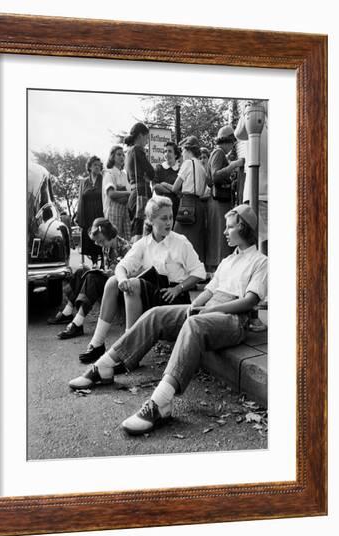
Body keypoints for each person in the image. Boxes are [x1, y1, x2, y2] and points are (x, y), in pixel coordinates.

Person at [68, 205, 267, 437]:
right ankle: (104, 366)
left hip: (233, 318)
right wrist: (193, 307)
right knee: (156, 314)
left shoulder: (260, 261)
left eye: (230, 227)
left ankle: (161, 402)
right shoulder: (227, 261)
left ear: (243, 228)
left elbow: (249, 301)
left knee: (194, 324)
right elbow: (209, 291)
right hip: (210, 309)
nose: (224, 231)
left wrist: (206, 311)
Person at [77, 195, 206, 364]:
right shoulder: (143, 244)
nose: (169, 222)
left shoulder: (181, 242)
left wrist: (179, 288)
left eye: (171, 217)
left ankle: (128, 351)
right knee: (113, 281)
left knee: (135, 284)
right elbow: (121, 267)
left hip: (172, 297)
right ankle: (97, 343)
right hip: (150, 294)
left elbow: (199, 272)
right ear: (151, 220)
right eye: (164, 218)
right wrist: (122, 279)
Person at [48, 218, 131, 338]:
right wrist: (100, 270)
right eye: (97, 242)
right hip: (109, 281)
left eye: (101, 241)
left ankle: (77, 323)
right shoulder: (107, 246)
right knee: (81, 272)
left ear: (110, 235)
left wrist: (111, 274)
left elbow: (130, 274)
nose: (99, 244)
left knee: (92, 278)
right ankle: (68, 312)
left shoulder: (126, 249)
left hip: (119, 287)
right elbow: (109, 267)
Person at [205, 126, 245, 272]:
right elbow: (215, 176)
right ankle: (219, 268)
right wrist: (234, 165)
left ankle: (218, 269)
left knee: (220, 235)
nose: (232, 146)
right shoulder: (219, 152)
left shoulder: (219, 153)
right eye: (231, 142)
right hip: (219, 202)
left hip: (218, 201)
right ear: (227, 140)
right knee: (221, 236)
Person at [234, 100, 268, 255]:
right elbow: (239, 133)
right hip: (259, 191)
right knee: (262, 242)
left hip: (263, 190)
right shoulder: (252, 106)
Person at [172, 136, 208, 261]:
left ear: (187, 150)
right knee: (196, 240)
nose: (182, 153)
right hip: (199, 205)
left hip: (187, 203)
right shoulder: (202, 168)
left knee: (176, 237)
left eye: (182, 150)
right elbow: (203, 190)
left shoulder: (188, 163)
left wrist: (166, 186)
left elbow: (175, 187)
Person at [124, 122, 155, 241]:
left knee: (136, 228)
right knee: (143, 229)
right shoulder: (138, 149)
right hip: (142, 193)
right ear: (141, 136)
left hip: (133, 193)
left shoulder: (128, 153)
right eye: (146, 137)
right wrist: (147, 176)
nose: (147, 141)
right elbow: (151, 172)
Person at [76, 156, 104, 265]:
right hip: (88, 215)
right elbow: (80, 199)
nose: (97, 167)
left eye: (99, 165)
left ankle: (103, 263)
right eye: (95, 165)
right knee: (90, 239)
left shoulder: (103, 179)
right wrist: (80, 218)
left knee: (102, 236)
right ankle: (94, 264)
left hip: (101, 213)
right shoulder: (84, 182)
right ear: (89, 167)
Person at [102, 145, 131, 241]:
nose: (122, 157)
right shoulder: (109, 173)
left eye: (123, 155)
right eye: (119, 154)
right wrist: (127, 193)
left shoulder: (124, 174)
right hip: (113, 210)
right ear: (112, 157)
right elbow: (111, 194)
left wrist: (124, 192)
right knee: (114, 239)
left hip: (124, 209)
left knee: (126, 239)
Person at [152, 141, 181, 223]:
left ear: (176, 155)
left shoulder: (180, 170)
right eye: (165, 151)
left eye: (170, 151)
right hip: (161, 207)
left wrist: (164, 184)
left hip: (176, 208)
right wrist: (173, 189)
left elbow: (180, 192)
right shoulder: (159, 168)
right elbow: (156, 187)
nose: (167, 153)